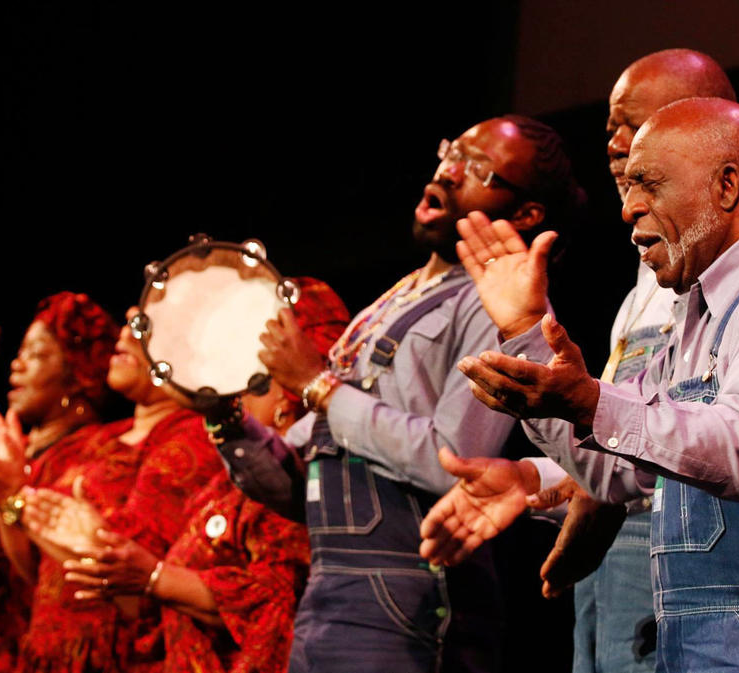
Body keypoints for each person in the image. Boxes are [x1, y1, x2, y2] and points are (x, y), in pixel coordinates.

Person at [423, 98, 739, 669]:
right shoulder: (701, 312)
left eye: (647, 184)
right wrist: (526, 332)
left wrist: (589, 400)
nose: (628, 208)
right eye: (628, 189)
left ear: (726, 186)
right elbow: (619, 470)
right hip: (720, 637)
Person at [226, 115, 581, 672]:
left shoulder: (499, 307)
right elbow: (303, 478)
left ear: (527, 213)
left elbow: (454, 462)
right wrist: (225, 421)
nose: (450, 170)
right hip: (329, 593)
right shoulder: (394, 299)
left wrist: (318, 385)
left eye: (479, 167)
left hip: (414, 600)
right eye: (450, 152)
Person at [492, 49, 738, 673]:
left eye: (634, 125)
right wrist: (539, 479)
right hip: (623, 554)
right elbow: (628, 438)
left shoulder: (725, 279)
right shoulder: (643, 286)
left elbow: (686, 441)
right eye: (610, 130)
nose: (616, 143)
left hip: (673, 551)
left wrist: (525, 331)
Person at [23, 277, 349, 673]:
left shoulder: (287, 481)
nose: (233, 386)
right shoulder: (230, 480)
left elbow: (283, 605)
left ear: (283, 391)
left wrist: (150, 574)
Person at [0, 291, 119, 673]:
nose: (16, 365)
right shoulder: (21, 451)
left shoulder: (96, 455)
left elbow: (48, 576)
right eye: (20, 353)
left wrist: (11, 497)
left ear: (77, 370)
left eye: (36, 354)